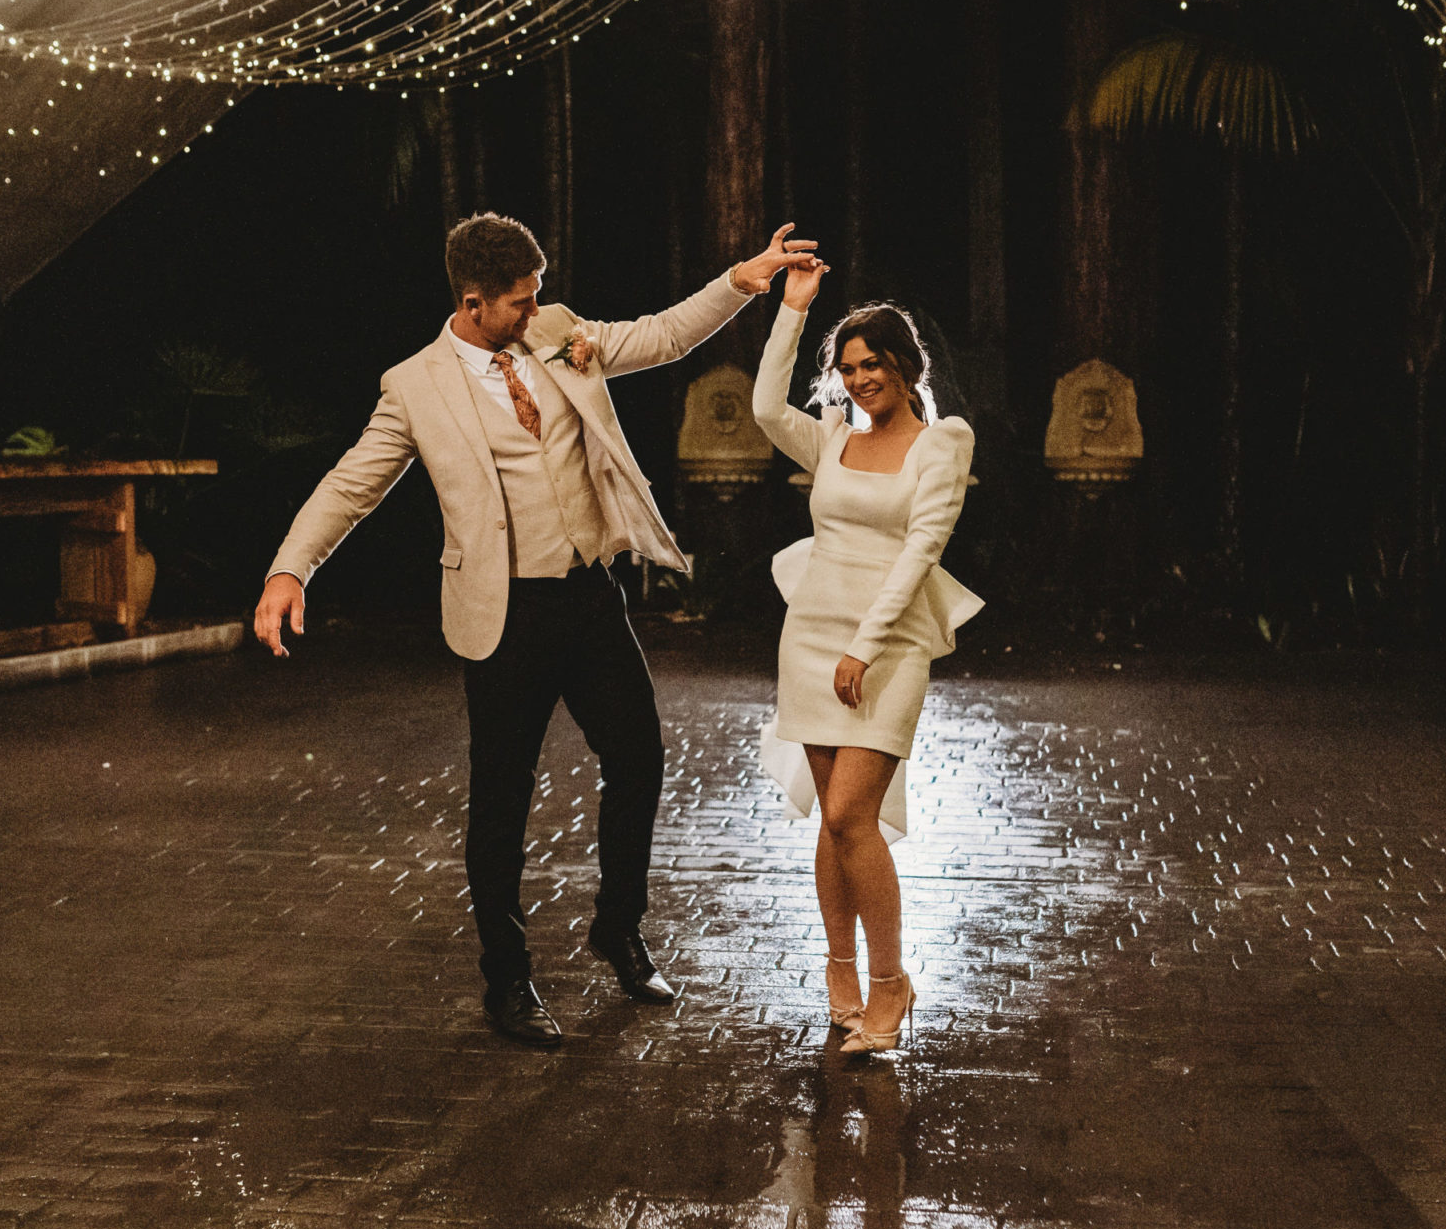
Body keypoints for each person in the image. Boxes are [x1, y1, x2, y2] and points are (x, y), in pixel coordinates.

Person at [255, 213, 819, 1049]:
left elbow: (662, 335)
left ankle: (618, 929)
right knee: (501, 802)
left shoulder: (555, 332)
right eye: (518, 302)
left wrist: (743, 279)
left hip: (588, 596)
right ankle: (508, 980)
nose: (535, 312)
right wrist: (289, 570)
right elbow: (351, 486)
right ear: (473, 304)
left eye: (536, 296)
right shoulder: (414, 386)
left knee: (640, 758)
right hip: (503, 615)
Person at [752, 259, 980, 1055]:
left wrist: (863, 647)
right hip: (810, 636)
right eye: (847, 369)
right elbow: (763, 405)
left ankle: (891, 982)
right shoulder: (832, 438)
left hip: (886, 645)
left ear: (905, 365)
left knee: (853, 814)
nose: (859, 380)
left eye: (872, 364)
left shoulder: (943, 442)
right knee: (834, 822)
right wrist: (793, 308)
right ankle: (840, 972)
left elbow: (921, 551)